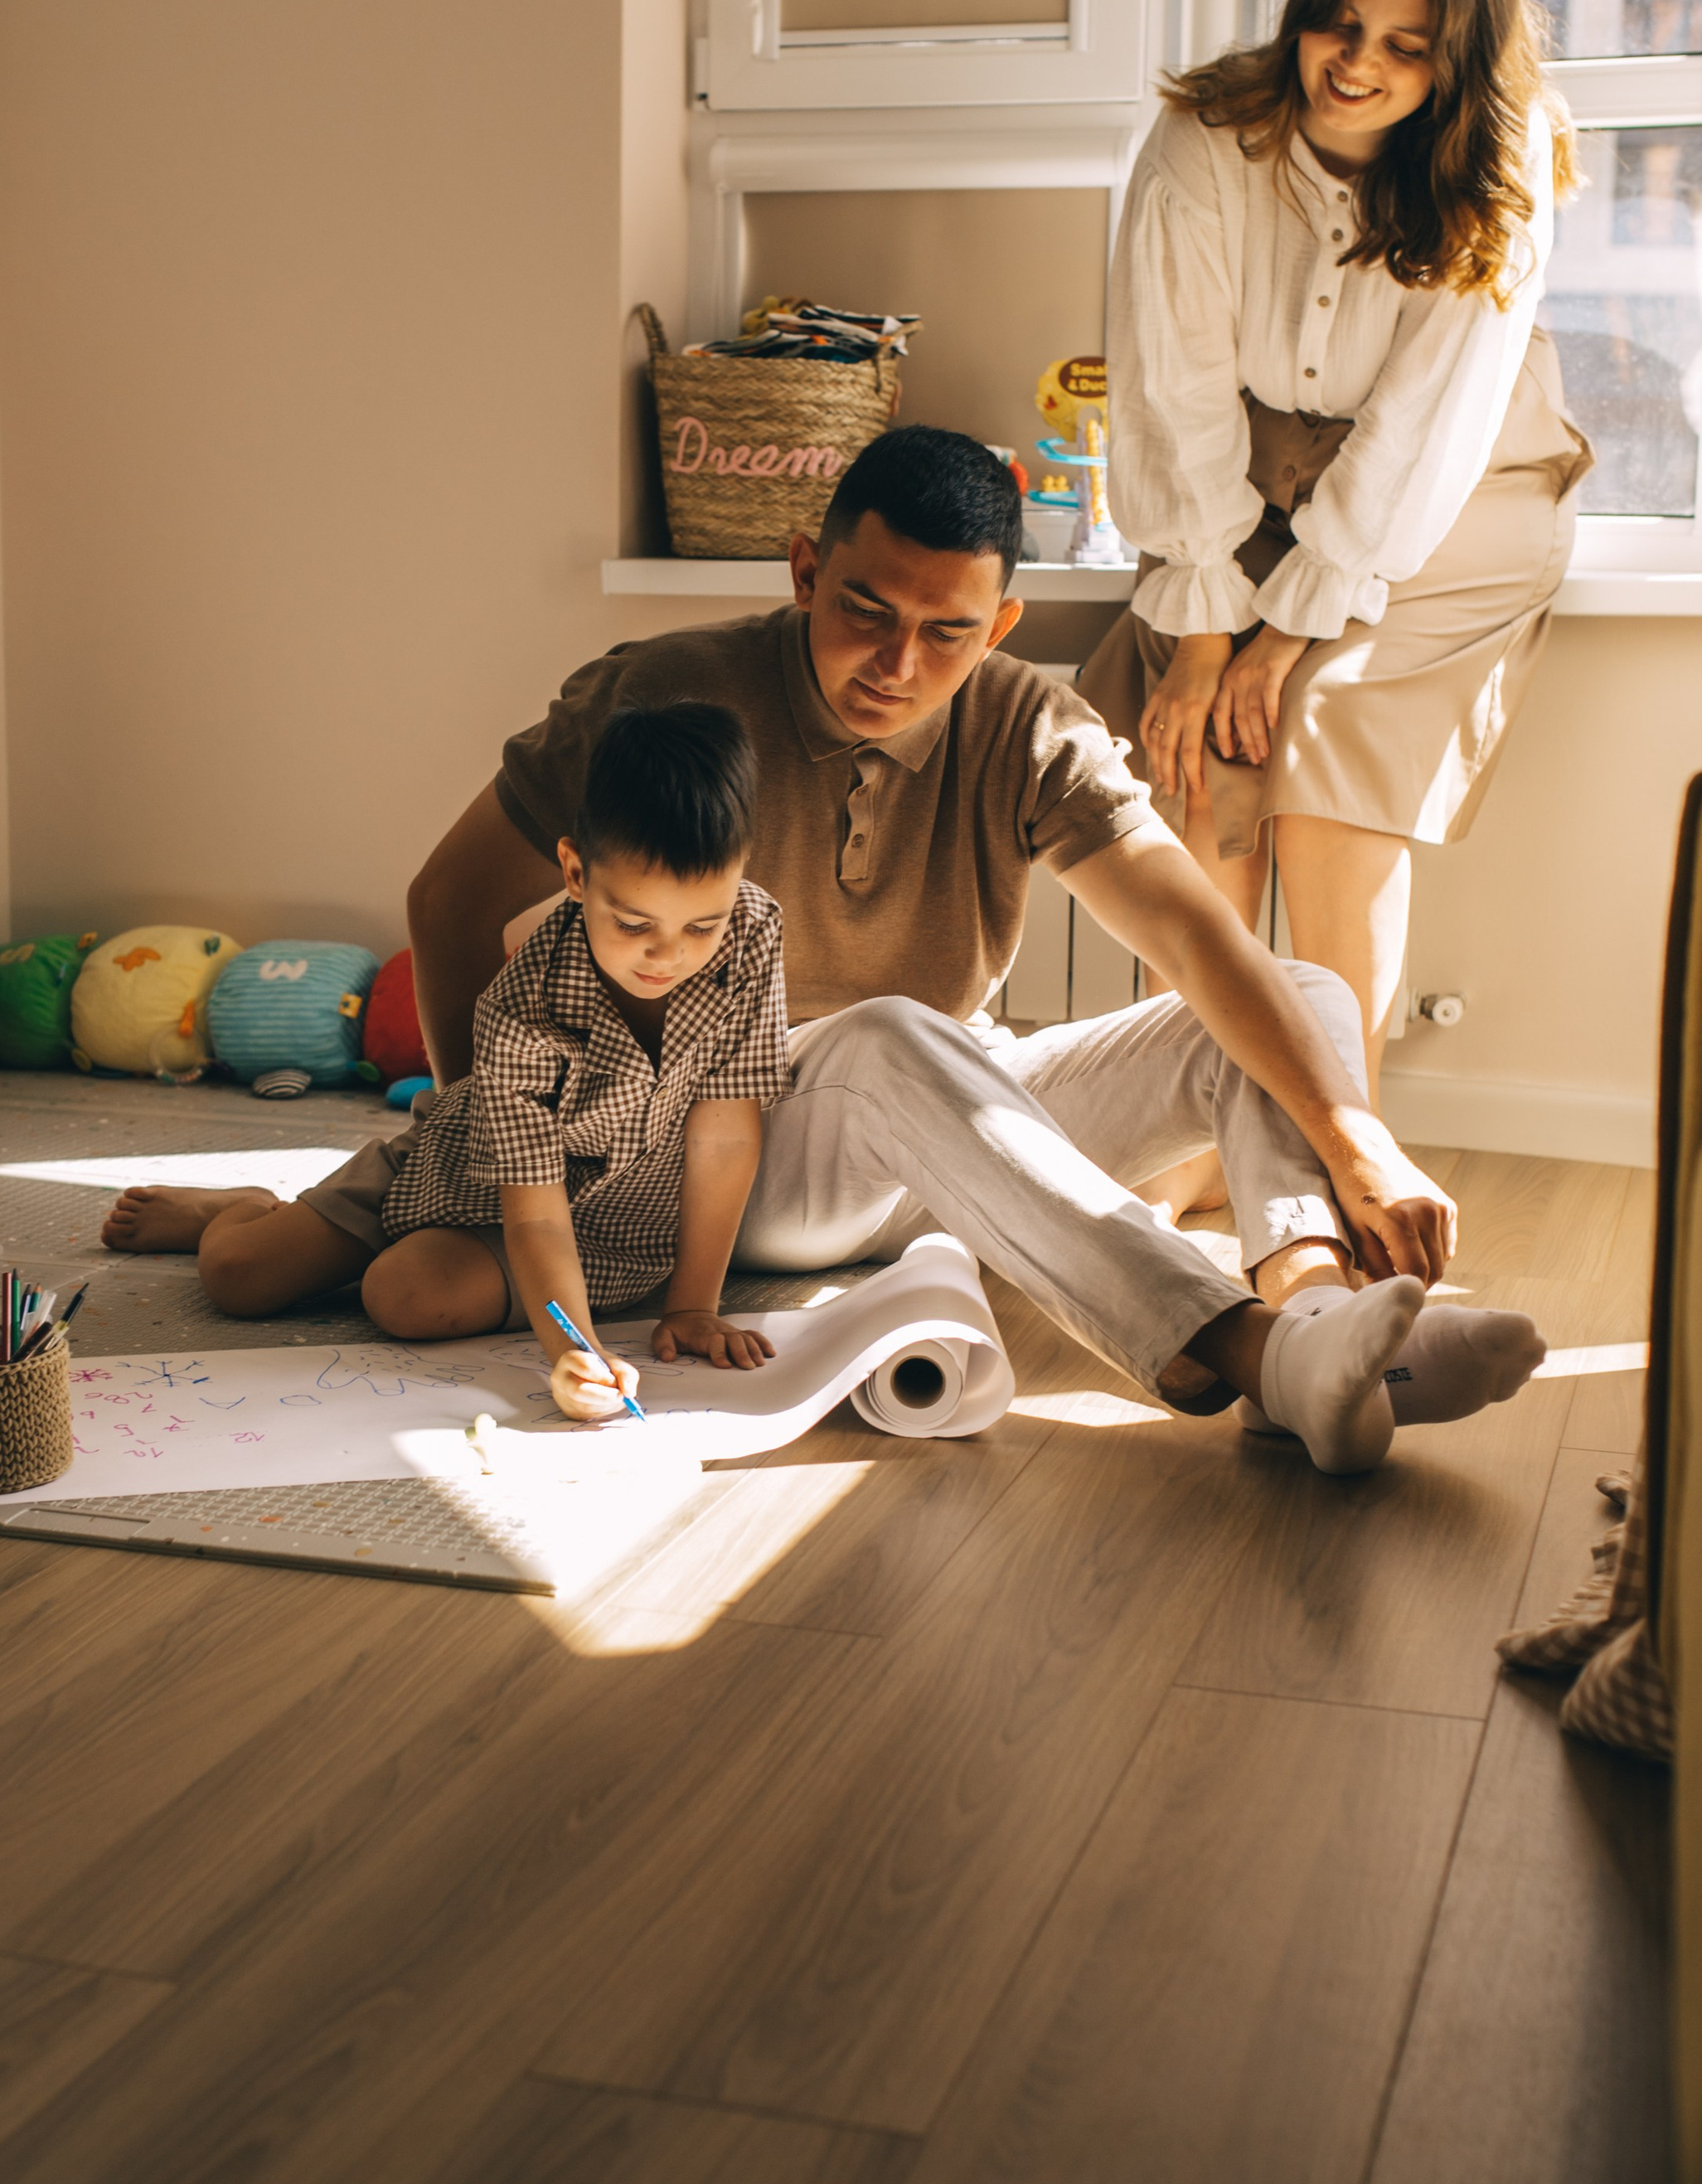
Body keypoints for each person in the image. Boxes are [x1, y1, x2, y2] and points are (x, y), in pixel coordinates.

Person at [110, 425, 1544, 1473]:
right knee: (874, 1044)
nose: (897, 662)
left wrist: (1355, 1139)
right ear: (806, 569)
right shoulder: (666, 698)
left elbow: (1188, 930)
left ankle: (1320, 1317)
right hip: (704, 1147)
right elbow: (445, 902)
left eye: (947, 631)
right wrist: (513, 1145)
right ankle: (1256, 1360)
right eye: (865, 609)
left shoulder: (1027, 724)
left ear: (1003, 623)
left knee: (1287, 991)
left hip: (939, 1132)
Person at [1079, 0, 1592, 1222]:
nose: (1354, 64)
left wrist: (1286, 637)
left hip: (1454, 493)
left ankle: (1327, 1148)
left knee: (1316, 754)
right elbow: (1173, 395)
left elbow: (1427, 431)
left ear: (1458, 64)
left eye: (1404, 45)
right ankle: (1190, 1137)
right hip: (1243, 469)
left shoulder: (1509, 153)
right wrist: (1204, 638)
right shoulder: (1205, 139)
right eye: (1336, 22)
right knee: (1199, 769)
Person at [104, 703, 791, 1424]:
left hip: (608, 1224)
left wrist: (692, 1306)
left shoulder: (753, 934)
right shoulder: (521, 1006)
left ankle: (393, 1252)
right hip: (455, 1164)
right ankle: (240, 1204)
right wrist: (575, 1351)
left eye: (701, 925)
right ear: (576, 872)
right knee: (238, 1277)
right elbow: (538, 1217)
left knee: (403, 1296)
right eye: (633, 923)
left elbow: (725, 1135)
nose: (669, 955)